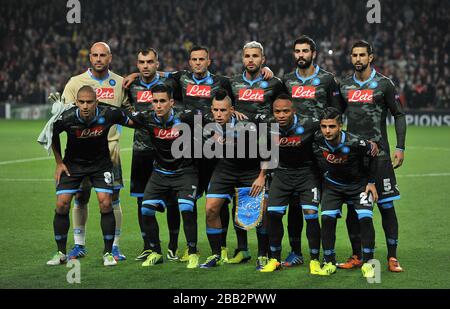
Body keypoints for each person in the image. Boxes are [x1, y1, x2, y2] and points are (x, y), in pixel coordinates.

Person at [123, 46, 273, 262]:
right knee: (193, 200)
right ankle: (191, 248)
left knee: (228, 200)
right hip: (193, 148)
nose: (198, 62)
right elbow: (156, 73)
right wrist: (137, 74)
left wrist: (264, 70)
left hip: (219, 148)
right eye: (194, 59)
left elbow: (239, 93)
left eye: (202, 59)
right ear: (189, 62)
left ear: (208, 61)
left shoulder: (222, 81)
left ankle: (233, 248)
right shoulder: (181, 78)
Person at [46, 86, 134, 267]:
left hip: (100, 166)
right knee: (61, 203)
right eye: (82, 102)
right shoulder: (67, 117)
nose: (85, 106)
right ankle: (60, 252)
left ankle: (108, 253)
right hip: (73, 165)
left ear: (96, 102)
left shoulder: (108, 113)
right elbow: (52, 134)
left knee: (106, 202)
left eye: (89, 102)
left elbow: (133, 121)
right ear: (76, 102)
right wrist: (59, 162)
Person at [339, 40, 406, 272]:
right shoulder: (344, 86)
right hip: (355, 159)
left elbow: (398, 114)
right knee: (354, 209)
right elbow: (334, 117)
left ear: (371, 57)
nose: (358, 59)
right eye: (354, 55)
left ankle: (392, 256)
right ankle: (357, 255)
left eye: (362, 55)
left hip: (381, 158)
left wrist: (400, 147)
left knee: (386, 207)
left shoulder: (384, 84)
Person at [62, 42, 130, 261]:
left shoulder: (120, 83)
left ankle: (115, 247)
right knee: (80, 197)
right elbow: (63, 115)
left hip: (110, 150)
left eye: (103, 55)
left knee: (112, 198)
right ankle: (79, 245)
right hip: (81, 152)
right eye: (95, 55)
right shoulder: (75, 83)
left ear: (110, 57)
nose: (99, 59)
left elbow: (128, 112)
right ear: (89, 57)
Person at [281, 35, 343, 266]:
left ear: (313, 53)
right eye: (297, 51)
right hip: (294, 149)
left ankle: (328, 254)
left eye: (305, 51)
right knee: (295, 203)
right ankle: (296, 252)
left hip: (319, 149)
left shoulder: (327, 80)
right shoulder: (286, 80)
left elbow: (337, 112)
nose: (301, 55)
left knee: (327, 203)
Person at [226, 41, 286, 268]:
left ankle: (263, 252)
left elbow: (285, 107)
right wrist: (231, 110)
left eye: (255, 56)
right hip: (239, 150)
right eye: (247, 56)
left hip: (265, 148)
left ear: (263, 59)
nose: (250, 59)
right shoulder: (233, 83)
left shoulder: (274, 83)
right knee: (239, 200)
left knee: (262, 202)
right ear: (242, 59)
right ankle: (243, 249)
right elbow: (220, 102)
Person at [130, 84, 200, 269]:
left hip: (185, 172)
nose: (158, 105)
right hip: (160, 173)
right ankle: (155, 252)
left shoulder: (186, 117)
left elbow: (212, 119)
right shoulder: (146, 118)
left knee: (186, 209)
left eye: (162, 101)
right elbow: (119, 117)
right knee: (145, 210)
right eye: (155, 101)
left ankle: (193, 252)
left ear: (171, 102)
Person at [199, 90, 268, 269]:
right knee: (210, 209)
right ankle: (215, 255)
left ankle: (263, 255)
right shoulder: (208, 122)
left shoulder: (248, 125)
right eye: (215, 110)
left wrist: (262, 177)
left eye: (223, 110)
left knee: (260, 212)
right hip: (225, 168)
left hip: (250, 170)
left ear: (232, 110)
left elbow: (269, 149)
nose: (219, 114)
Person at [127, 48, 182, 262]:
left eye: (150, 61)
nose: (145, 66)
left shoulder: (170, 84)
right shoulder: (130, 85)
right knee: (142, 202)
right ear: (137, 63)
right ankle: (149, 246)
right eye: (141, 62)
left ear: (157, 63)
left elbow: (184, 75)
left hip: (165, 149)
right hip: (141, 150)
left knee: (172, 201)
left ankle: (174, 246)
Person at [312, 107, 379, 278]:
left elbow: (373, 156)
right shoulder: (317, 139)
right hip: (333, 186)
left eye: (332, 126)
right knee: (326, 218)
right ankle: (329, 262)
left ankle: (369, 263)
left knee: (365, 218)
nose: (327, 131)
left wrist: (371, 182)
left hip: (358, 186)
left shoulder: (356, 142)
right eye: (324, 126)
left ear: (340, 126)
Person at [261, 94, 321, 273]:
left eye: (285, 111)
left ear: (293, 111)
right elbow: (266, 151)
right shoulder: (268, 126)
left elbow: (331, 128)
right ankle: (274, 259)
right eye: (277, 111)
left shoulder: (310, 123)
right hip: (282, 173)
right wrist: (262, 175)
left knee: (311, 214)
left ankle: (315, 260)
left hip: (307, 173)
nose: (281, 115)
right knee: (272, 213)